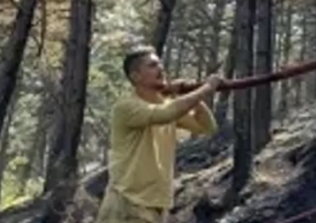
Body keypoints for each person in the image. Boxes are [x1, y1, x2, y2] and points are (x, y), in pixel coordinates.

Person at [95, 45, 223, 223]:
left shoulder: (165, 104)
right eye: (153, 65)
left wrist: (192, 97)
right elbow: (164, 114)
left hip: (157, 208)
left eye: (160, 64)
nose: (161, 69)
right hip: (128, 204)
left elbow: (207, 127)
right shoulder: (126, 107)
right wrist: (206, 89)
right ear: (135, 76)